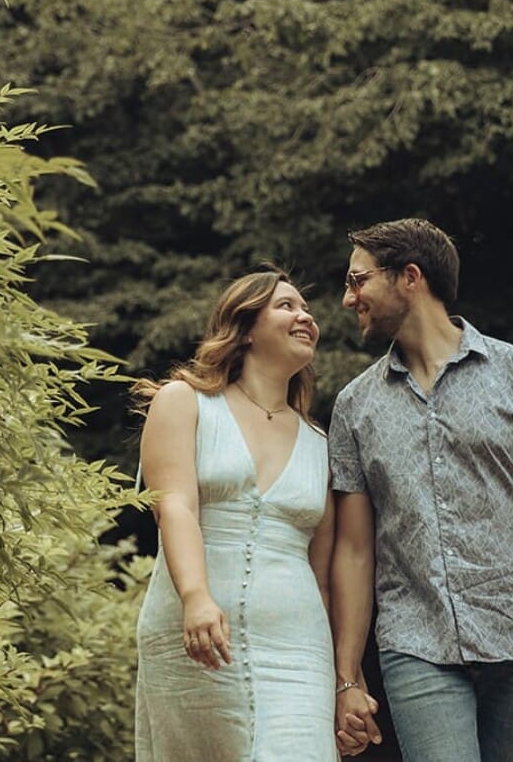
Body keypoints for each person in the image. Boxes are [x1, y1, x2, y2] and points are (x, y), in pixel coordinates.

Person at [328, 218, 513, 762]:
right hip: (417, 644)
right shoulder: (354, 406)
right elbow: (355, 550)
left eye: (358, 280)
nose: (348, 298)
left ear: (410, 277)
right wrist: (347, 678)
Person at [133, 269, 337, 761]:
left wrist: (344, 678)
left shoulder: (321, 445)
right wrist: (196, 596)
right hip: (194, 634)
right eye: (286, 306)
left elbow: (323, 573)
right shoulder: (184, 402)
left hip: (298, 648)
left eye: (307, 309)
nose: (305, 317)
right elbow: (174, 505)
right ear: (245, 328)